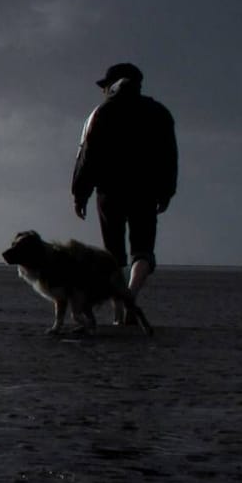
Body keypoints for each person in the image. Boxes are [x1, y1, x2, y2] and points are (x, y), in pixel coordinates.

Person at [71, 62, 178, 320]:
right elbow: (169, 157)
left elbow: (87, 157)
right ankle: (131, 293)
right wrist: (167, 191)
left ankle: (119, 310)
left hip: (110, 190)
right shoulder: (159, 113)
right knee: (143, 250)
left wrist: (80, 192)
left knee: (113, 255)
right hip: (146, 190)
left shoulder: (101, 113)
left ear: (111, 86)